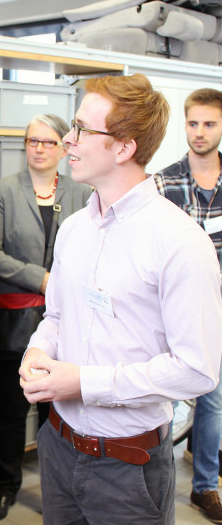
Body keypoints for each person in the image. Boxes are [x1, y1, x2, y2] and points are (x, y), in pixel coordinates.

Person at [19, 74, 222, 524]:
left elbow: (197, 370)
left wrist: (84, 383)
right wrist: (38, 349)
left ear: (124, 148)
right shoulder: (74, 229)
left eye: (82, 130)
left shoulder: (179, 241)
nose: (67, 140)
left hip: (127, 468)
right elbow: (57, 315)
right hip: (57, 446)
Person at [0, 114, 92, 522]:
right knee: (11, 410)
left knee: (59, 415)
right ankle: (5, 488)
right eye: (32, 141)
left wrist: (62, 284)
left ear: (64, 146)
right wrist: (42, 279)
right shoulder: (4, 191)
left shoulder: (83, 192)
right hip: (17, 322)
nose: (40, 148)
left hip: (72, 321)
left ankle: (58, 490)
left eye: (48, 142)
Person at [154, 87, 222, 523]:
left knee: (213, 400)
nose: (199, 132)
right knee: (163, 397)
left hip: (218, 310)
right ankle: (156, 478)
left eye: (210, 124)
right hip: (172, 309)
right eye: (193, 123)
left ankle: (206, 487)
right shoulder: (163, 181)